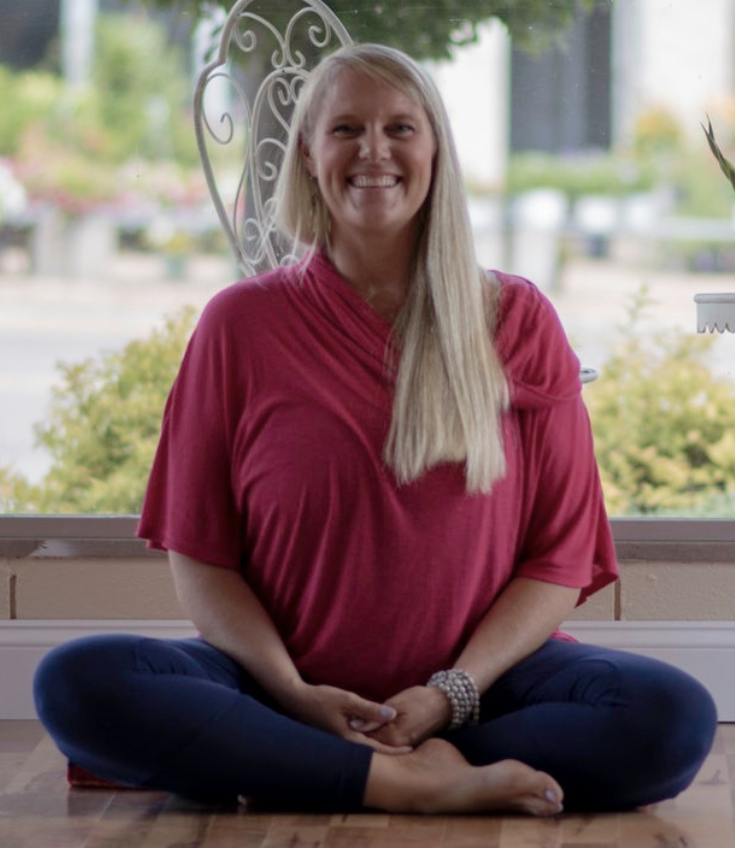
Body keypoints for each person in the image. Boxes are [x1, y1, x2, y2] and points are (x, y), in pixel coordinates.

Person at [34, 43, 716, 817]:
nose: (374, 151)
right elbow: (203, 555)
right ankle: (406, 781)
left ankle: (361, 766)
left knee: (673, 719)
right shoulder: (239, 326)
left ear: (435, 151)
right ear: (306, 152)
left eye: (400, 128)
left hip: (480, 690)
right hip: (279, 689)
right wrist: (292, 695)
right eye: (346, 128)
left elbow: (556, 560)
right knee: (75, 683)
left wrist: (445, 700)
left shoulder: (517, 320)